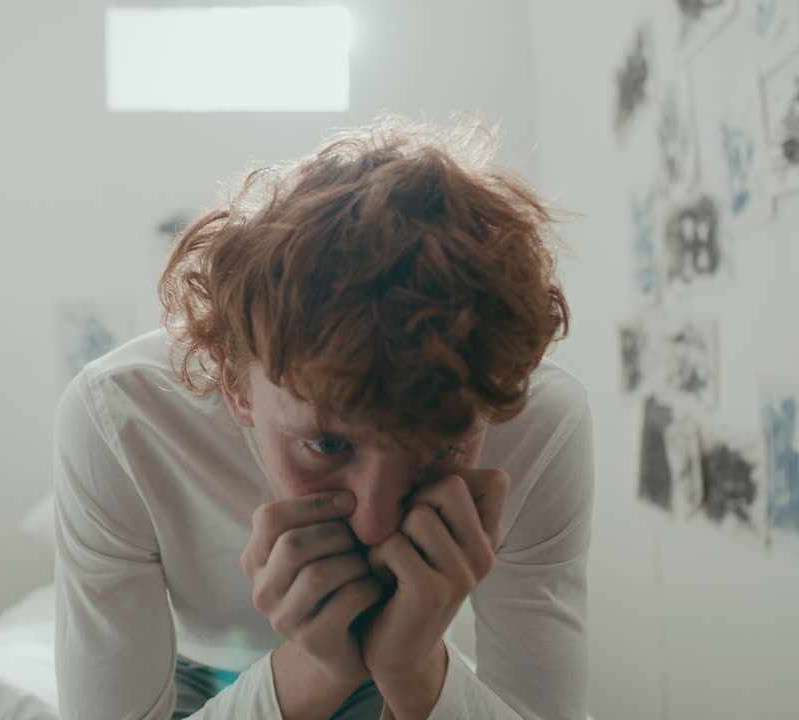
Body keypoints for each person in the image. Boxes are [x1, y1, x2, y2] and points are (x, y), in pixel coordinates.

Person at [54, 114, 594, 720]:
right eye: (327, 446)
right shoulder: (122, 418)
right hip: (196, 670)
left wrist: (413, 672)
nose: (374, 523)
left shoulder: (536, 421)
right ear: (233, 381)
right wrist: (313, 669)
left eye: (441, 449)